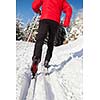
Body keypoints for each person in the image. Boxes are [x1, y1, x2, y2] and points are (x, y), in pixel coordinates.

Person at [31, 0, 72, 77]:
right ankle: (47, 60)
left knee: (40, 39)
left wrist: (38, 11)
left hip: (45, 19)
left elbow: (34, 5)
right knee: (51, 42)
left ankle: (36, 58)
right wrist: (66, 22)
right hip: (55, 22)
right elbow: (69, 9)